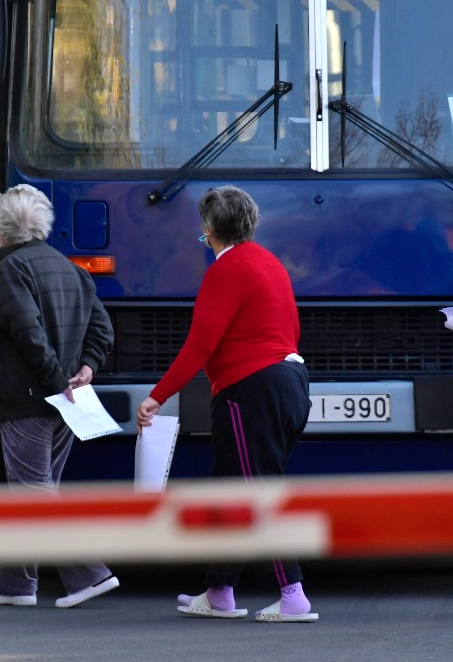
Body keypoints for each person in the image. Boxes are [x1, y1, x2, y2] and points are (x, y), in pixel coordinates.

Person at [136, 185, 318, 623]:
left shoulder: (224, 270)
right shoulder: (270, 263)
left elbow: (200, 346)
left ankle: (292, 593)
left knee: (254, 492)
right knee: (227, 488)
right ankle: (220, 589)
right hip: (291, 382)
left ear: (210, 230)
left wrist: (156, 397)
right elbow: (290, 330)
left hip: (247, 390)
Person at [0, 184, 119, 609]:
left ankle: (88, 574)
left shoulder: (10, 270)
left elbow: (28, 333)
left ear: (2, 231)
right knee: (38, 490)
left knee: (32, 493)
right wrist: (86, 368)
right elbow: (103, 330)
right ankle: (17, 585)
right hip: (67, 401)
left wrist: (57, 378)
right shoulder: (70, 268)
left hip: (30, 398)